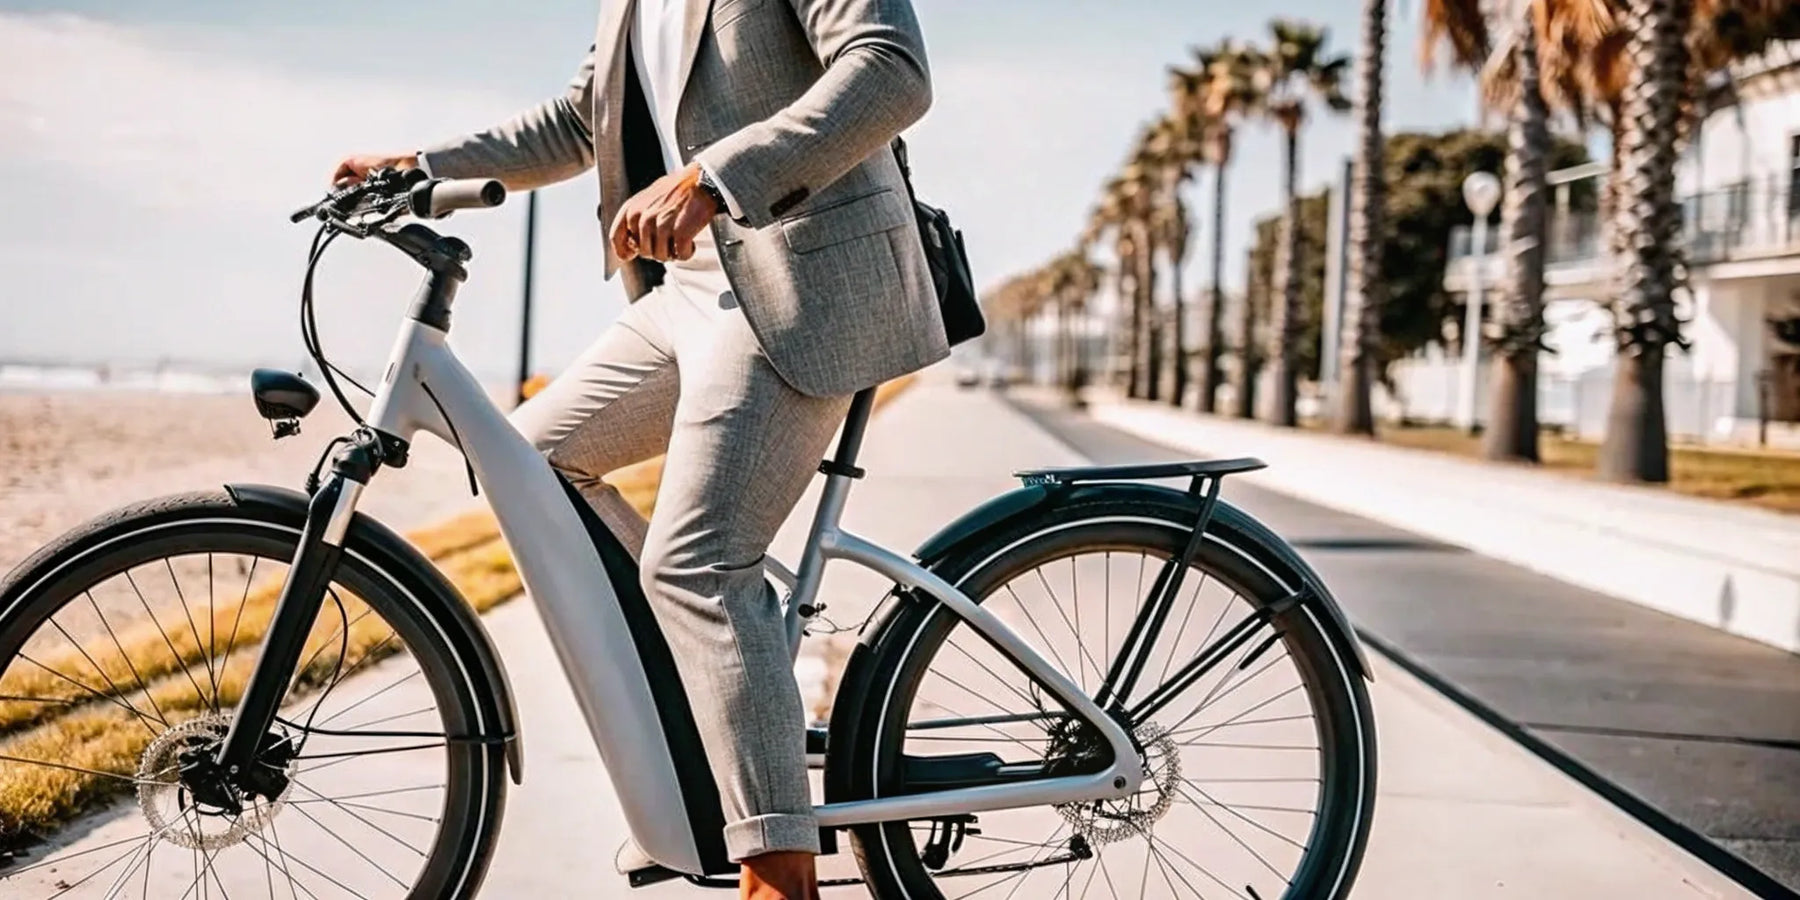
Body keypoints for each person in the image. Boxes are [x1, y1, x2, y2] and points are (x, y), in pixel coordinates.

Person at [332, 0, 944, 896]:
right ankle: (713, 738)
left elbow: (892, 69)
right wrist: (422, 167)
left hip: (803, 281)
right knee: (528, 463)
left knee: (698, 564)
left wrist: (710, 179)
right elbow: (585, 119)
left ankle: (779, 872)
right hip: (692, 294)